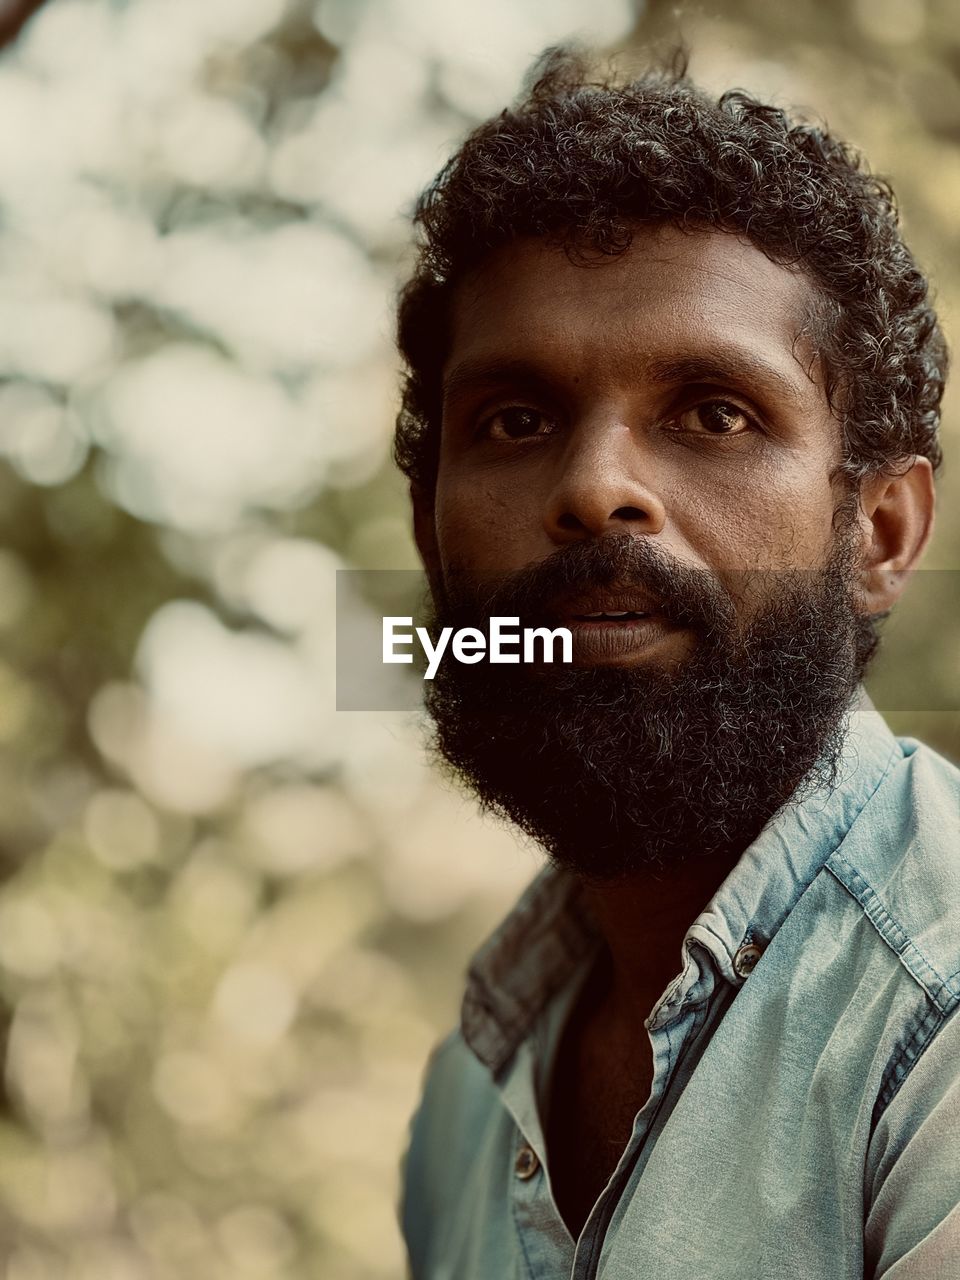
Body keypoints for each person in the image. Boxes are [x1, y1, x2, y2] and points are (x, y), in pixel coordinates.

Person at [393, 48, 960, 1280]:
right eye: (515, 420)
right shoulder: (465, 1102)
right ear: (427, 527)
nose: (596, 489)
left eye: (714, 411)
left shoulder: (941, 1021)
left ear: (880, 532)